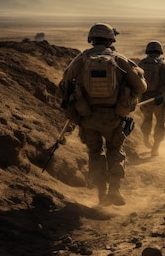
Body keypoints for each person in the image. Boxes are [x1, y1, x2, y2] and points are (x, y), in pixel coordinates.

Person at [60, 23, 147, 206]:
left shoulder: (81, 59)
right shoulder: (119, 59)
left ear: (91, 39)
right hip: (114, 117)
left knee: (95, 153)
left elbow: (65, 84)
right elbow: (140, 87)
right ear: (110, 39)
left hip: (87, 117)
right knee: (115, 150)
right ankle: (115, 190)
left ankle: (101, 193)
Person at [138, 40, 165, 157]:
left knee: (147, 119)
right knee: (160, 123)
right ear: (160, 51)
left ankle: (146, 139)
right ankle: (155, 148)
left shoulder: (141, 64)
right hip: (159, 100)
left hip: (144, 100)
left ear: (148, 51)